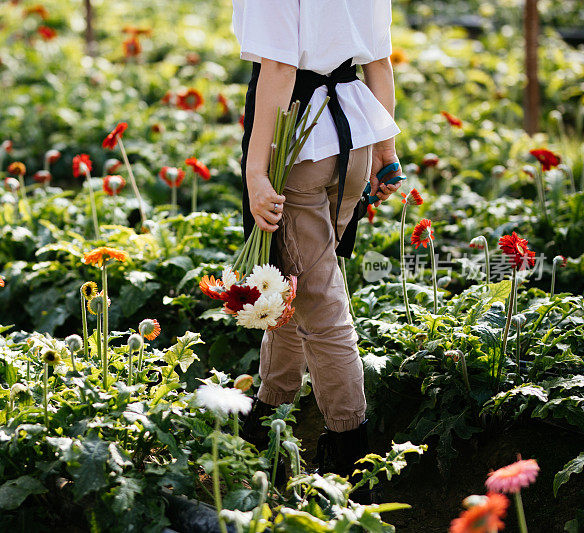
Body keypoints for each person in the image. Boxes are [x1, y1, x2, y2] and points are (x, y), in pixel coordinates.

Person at [232, 0, 404, 490]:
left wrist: (256, 171)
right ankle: (269, 413)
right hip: (354, 138)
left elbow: (281, 69)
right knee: (295, 286)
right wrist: (386, 152)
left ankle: (351, 452)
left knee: (321, 305)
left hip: (300, 143)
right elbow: (379, 61)